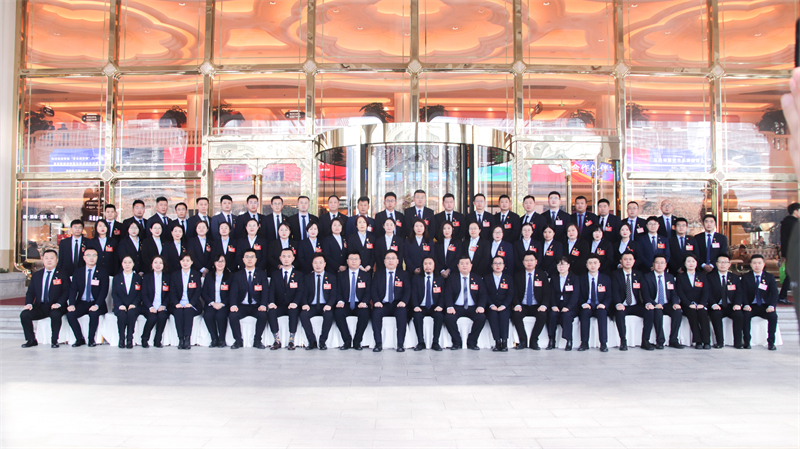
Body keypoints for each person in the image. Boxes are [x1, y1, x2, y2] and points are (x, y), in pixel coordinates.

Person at [20, 250, 70, 348]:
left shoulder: (62, 274)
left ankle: (54, 340)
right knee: (24, 315)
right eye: (46, 258)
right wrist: (29, 303)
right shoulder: (36, 275)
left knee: (55, 314)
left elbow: (66, 291)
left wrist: (59, 303)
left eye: (52, 258)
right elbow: (31, 292)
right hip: (40, 306)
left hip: (57, 306)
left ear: (57, 260)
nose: (49, 260)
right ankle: (31, 339)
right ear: (43, 260)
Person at [610, 251, 654, 351]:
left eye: (630, 259)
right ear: (621, 261)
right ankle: (623, 341)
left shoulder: (639, 274)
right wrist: (618, 303)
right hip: (622, 305)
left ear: (634, 261)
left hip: (635, 305)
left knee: (650, 312)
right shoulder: (615, 274)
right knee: (619, 313)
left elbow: (645, 291)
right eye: (625, 259)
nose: (628, 261)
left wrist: (648, 303)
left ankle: (645, 340)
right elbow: (614, 291)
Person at [228, 249, 271, 349]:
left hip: (256, 305)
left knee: (263, 315)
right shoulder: (237, 275)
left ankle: (257, 340)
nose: (249, 259)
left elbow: (265, 291)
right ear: (243, 260)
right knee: (232, 316)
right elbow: (233, 292)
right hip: (242, 305)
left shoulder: (262, 274)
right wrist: (233, 305)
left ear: (256, 259)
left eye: (252, 257)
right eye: (247, 257)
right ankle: (238, 341)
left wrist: (263, 304)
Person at [442, 256, 488, 350]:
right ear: (458, 266)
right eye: (462, 263)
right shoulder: (452, 278)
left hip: (473, 307)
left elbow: (483, 294)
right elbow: (448, 294)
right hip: (457, 307)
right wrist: (450, 306)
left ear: (471, 265)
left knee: (481, 317)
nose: (464, 266)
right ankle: (457, 342)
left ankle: (472, 342)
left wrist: (481, 306)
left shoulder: (478, 279)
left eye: (467, 263)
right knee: (448, 318)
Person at [66, 248, 108, 347]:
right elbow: (73, 289)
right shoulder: (78, 272)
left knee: (94, 314)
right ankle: (79, 338)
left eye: (94, 255)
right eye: (88, 255)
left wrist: (97, 305)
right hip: (82, 302)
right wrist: (71, 304)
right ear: (84, 258)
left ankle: (91, 339)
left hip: (96, 302)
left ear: (97, 257)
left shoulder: (102, 272)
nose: (91, 258)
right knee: (70, 314)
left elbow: (104, 291)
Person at [370, 250, 411, 352]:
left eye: (393, 258)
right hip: (383, 304)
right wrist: (376, 301)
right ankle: (378, 344)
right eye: (388, 258)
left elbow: (408, 290)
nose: (390, 261)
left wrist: (404, 301)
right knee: (376, 313)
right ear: (384, 261)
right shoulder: (378, 274)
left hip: (398, 304)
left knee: (402, 314)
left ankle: (400, 344)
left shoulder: (403, 274)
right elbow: (373, 289)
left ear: (398, 261)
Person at [642, 255, 684, 349]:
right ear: (653, 264)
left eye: (662, 263)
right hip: (654, 304)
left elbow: (674, 293)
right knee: (658, 312)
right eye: (657, 263)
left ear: (666, 265)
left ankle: (674, 340)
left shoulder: (670, 277)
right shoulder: (647, 277)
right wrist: (655, 304)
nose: (660, 265)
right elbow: (646, 295)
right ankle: (660, 341)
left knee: (678, 312)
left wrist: (675, 303)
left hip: (667, 304)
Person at [511, 251, 550, 350]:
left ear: (536, 261)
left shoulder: (542, 275)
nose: (529, 262)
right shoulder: (518, 276)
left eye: (531, 260)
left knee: (543, 315)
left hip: (537, 305)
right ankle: (523, 340)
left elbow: (547, 293)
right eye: (527, 260)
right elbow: (514, 294)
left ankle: (534, 340)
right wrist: (517, 304)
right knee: (516, 315)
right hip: (522, 305)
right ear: (523, 262)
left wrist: (544, 305)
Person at [268, 248, 305, 350]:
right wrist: (271, 302)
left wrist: (295, 303)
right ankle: (276, 340)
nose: (286, 259)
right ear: (280, 258)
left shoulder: (299, 274)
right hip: (279, 304)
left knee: (293, 312)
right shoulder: (275, 274)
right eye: (284, 256)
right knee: (271, 311)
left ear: (293, 258)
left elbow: (300, 291)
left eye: (289, 256)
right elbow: (271, 290)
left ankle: (291, 340)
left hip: (292, 304)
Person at [335, 251, 372, 350]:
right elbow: (337, 291)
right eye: (351, 259)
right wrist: (340, 301)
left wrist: (364, 302)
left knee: (365, 313)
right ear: (347, 261)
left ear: (360, 261)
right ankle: (347, 341)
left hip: (360, 304)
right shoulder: (341, 275)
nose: (354, 261)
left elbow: (368, 292)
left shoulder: (366, 275)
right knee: (338, 313)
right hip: (345, 304)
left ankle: (357, 341)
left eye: (356, 259)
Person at [299, 254, 337, 350]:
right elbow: (303, 293)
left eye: (320, 262)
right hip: (311, 305)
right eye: (315, 263)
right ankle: (312, 341)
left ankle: (322, 341)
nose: (318, 265)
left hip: (325, 305)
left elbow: (334, 294)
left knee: (329, 315)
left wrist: (329, 305)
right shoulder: (307, 278)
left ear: (325, 264)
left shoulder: (331, 277)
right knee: (303, 315)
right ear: (312, 264)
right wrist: (305, 304)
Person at [741, 254, 779, 350]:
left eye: (759, 263)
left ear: (763, 264)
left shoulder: (770, 277)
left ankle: (771, 342)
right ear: (751, 265)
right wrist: (745, 304)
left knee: (773, 316)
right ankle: (747, 341)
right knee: (745, 315)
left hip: (765, 306)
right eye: (754, 263)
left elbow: (774, 293)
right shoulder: (746, 277)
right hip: (751, 305)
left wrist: (772, 305)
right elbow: (743, 293)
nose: (757, 265)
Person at [577, 255, 612, 352]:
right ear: (586, 265)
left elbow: (609, 295)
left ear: (599, 265)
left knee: (602, 313)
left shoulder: (606, 278)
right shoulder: (581, 279)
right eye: (590, 263)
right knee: (584, 313)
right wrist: (583, 303)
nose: (593, 265)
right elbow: (577, 295)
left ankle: (603, 343)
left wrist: (604, 304)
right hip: (587, 305)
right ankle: (584, 343)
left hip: (600, 305)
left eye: (595, 263)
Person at [676, 253, 711, 350]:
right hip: (687, 305)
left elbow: (706, 291)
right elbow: (680, 292)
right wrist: (688, 304)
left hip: (700, 304)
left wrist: (702, 303)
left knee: (703, 314)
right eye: (688, 261)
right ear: (684, 263)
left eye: (693, 261)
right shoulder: (680, 277)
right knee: (692, 314)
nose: (691, 263)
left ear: (696, 263)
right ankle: (698, 341)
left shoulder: (702, 276)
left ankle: (706, 341)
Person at [708, 254, 743, 349]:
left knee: (738, 314)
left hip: (731, 305)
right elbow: (708, 293)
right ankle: (719, 342)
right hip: (717, 305)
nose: (722, 264)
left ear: (729, 264)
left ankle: (738, 342)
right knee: (715, 314)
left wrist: (737, 304)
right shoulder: (710, 277)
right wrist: (713, 304)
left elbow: (739, 292)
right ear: (716, 264)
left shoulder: (735, 277)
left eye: (725, 262)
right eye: (720, 262)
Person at [410, 257, 445, 351]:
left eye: (430, 264)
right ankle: (421, 342)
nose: (427, 266)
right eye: (425, 264)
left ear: (434, 265)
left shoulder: (440, 279)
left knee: (439, 316)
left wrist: (440, 306)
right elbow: (413, 294)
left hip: (434, 307)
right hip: (421, 306)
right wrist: (416, 306)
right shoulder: (417, 278)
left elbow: (443, 295)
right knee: (417, 316)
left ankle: (435, 342)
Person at [170, 253, 203, 350]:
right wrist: (176, 303)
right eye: (183, 260)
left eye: (187, 260)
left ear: (191, 262)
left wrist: (191, 303)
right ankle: (181, 339)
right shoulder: (175, 275)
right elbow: (172, 292)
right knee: (178, 312)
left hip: (192, 304)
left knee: (188, 311)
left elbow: (197, 291)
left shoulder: (196, 274)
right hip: (178, 304)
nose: (185, 263)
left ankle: (187, 339)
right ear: (180, 262)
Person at [548, 257, 579, 351]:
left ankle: (569, 340)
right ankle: (551, 340)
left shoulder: (574, 278)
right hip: (557, 305)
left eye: (563, 264)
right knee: (552, 315)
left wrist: (568, 307)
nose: (561, 267)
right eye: (559, 265)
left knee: (566, 316)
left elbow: (575, 295)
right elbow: (551, 293)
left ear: (568, 265)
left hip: (570, 306)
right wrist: (553, 305)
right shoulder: (554, 278)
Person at [484, 256, 515, 352]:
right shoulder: (486, 278)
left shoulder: (508, 278)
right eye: (495, 263)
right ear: (492, 265)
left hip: (505, 306)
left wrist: (504, 305)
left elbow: (510, 294)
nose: (498, 265)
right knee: (493, 316)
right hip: (491, 306)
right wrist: (491, 305)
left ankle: (504, 342)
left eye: (500, 263)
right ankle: (497, 342)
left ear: (504, 265)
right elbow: (484, 294)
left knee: (504, 316)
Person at [111, 255, 142, 349]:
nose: (127, 264)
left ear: (133, 264)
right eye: (125, 262)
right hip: (120, 306)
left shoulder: (138, 278)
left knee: (131, 314)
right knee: (122, 315)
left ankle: (129, 338)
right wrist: (119, 305)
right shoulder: (117, 278)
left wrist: (134, 304)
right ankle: (121, 338)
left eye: (129, 262)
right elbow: (114, 293)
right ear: (122, 264)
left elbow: (140, 294)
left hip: (134, 306)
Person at [141, 255, 170, 348]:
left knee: (162, 316)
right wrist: (150, 307)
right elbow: (144, 294)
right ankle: (144, 339)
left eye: (160, 263)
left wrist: (164, 305)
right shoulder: (146, 277)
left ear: (164, 265)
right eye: (155, 262)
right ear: (152, 265)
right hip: (149, 306)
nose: (158, 265)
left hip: (162, 306)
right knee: (152, 317)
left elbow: (170, 294)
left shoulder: (167, 278)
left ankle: (157, 340)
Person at [202, 254, 232, 348]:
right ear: (214, 263)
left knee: (220, 316)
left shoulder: (230, 276)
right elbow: (204, 292)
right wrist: (212, 303)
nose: (220, 263)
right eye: (218, 261)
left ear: (225, 263)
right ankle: (214, 338)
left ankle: (221, 339)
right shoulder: (209, 276)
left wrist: (222, 304)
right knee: (208, 315)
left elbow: (232, 293)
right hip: (212, 303)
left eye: (222, 261)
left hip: (224, 304)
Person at [779, 202, 799, 304]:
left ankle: (783, 295)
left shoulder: (786, 222)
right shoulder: (794, 223)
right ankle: (782, 296)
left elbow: (784, 240)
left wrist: (784, 254)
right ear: (795, 211)